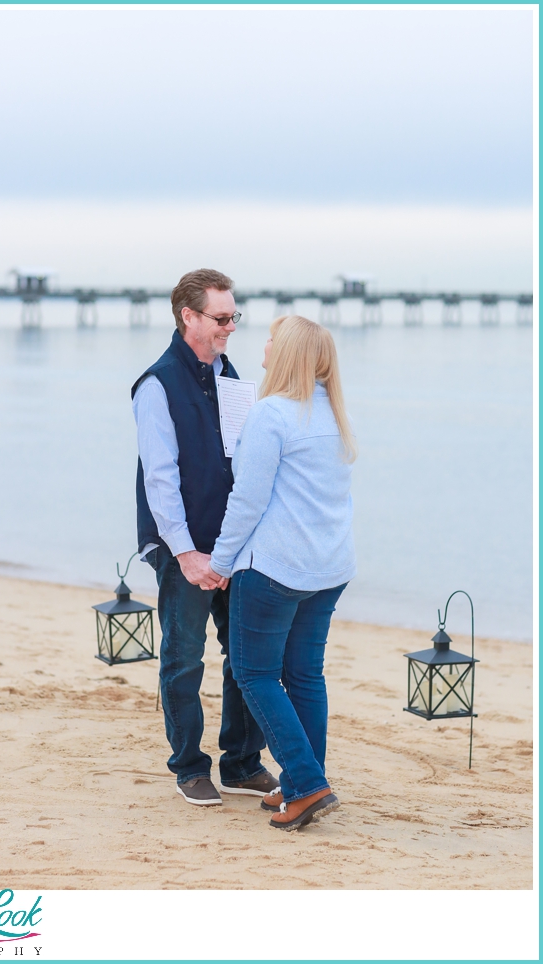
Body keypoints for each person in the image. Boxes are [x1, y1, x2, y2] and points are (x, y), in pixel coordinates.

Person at [131, 268, 278, 807]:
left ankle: (241, 763)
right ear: (188, 316)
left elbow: (244, 458)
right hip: (184, 548)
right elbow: (160, 477)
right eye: (220, 317)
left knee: (245, 657)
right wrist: (186, 553)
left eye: (234, 316)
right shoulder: (156, 384)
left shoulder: (232, 373)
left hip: (237, 543)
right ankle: (189, 766)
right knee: (184, 658)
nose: (230, 327)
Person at [209, 314, 356, 831]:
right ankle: (301, 784)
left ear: (287, 352)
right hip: (328, 568)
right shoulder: (332, 412)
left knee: (254, 673)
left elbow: (247, 501)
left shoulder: (271, 414)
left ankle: (307, 784)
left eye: (272, 338)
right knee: (303, 675)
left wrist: (220, 563)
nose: (264, 345)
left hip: (275, 568)